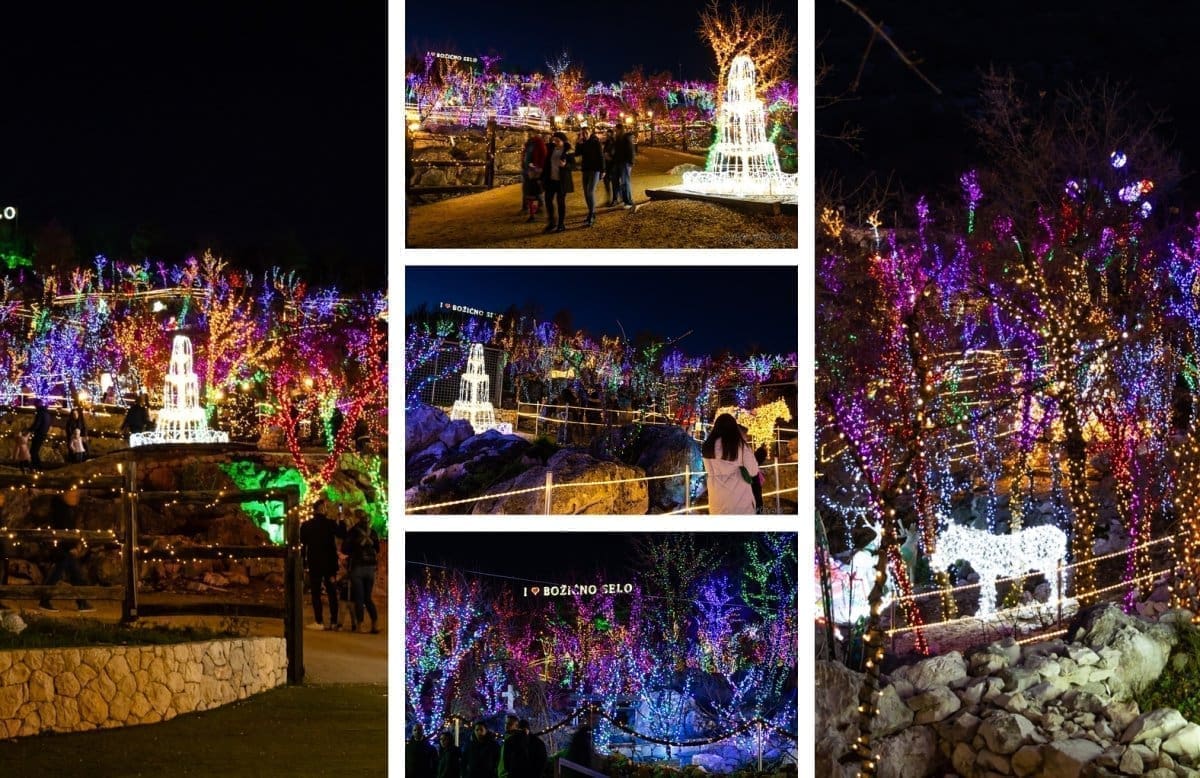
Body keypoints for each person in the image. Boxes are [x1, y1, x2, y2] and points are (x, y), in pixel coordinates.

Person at [39, 495, 94, 612]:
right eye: (73, 492)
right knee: (63, 574)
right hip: (63, 550)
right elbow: (62, 531)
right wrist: (71, 547)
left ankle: (81, 602)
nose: (76, 496)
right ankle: (45, 600)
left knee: (73, 574)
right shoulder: (61, 511)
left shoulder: (68, 510)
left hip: (65, 550)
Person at [300, 498, 347, 630]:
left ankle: (319, 621)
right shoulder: (330, 524)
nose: (326, 509)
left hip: (314, 562)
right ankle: (333, 622)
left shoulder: (306, 525)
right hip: (330, 564)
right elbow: (342, 534)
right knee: (332, 592)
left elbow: (302, 544)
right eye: (325, 507)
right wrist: (341, 520)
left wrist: (303, 562)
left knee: (316, 593)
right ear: (321, 509)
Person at [701, 413, 759, 515]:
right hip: (740, 502)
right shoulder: (739, 445)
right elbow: (753, 471)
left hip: (716, 501)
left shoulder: (708, 446)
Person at [343, 508, 381, 633]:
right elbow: (378, 548)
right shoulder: (373, 532)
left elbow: (345, 549)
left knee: (359, 597)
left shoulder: (353, 531)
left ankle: (360, 625)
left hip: (357, 567)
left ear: (356, 518)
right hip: (370, 568)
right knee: (368, 598)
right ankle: (374, 624)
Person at [540, 131, 574, 233]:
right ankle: (551, 222)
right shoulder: (551, 149)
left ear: (563, 141)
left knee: (560, 202)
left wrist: (565, 166)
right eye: (554, 140)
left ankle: (561, 224)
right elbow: (546, 164)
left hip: (561, 181)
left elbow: (573, 165)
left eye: (558, 141)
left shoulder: (568, 151)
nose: (556, 142)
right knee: (548, 200)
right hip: (551, 180)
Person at [577, 128, 605, 226]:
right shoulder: (583, 142)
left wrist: (603, 170)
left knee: (590, 191)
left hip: (595, 169)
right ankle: (590, 213)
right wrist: (578, 143)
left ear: (590, 133)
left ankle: (592, 214)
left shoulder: (595, 142)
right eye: (582, 133)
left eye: (586, 133)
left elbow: (601, 156)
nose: (584, 135)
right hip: (586, 170)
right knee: (586, 192)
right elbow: (577, 153)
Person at [522, 128, 547, 221]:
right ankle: (529, 209)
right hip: (527, 169)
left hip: (535, 169)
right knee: (527, 190)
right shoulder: (529, 143)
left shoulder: (539, 142)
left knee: (535, 189)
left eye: (530, 133)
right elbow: (525, 154)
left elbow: (543, 155)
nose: (528, 134)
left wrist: (539, 167)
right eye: (527, 133)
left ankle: (540, 206)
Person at [614, 124, 637, 209]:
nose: (615, 131)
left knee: (625, 182)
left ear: (619, 130)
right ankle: (625, 200)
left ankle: (628, 201)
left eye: (616, 130)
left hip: (625, 162)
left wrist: (630, 162)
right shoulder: (619, 138)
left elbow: (630, 150)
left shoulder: (624, 138)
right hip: (621, 162)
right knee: (623, 182)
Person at [26, 398, 52, 469]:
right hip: (43, 433)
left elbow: (37, 424)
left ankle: (37, 466)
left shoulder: (40, 413)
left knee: (33, 451)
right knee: (35, 450)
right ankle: (37, 466)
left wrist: (29, 430)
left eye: (35, 405)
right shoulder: (46, 413)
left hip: (39, 433)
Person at [603, 129, 621, 206]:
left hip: (613, 165)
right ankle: (609, 198)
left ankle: (615, 199)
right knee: (606, 182)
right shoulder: (607, 143)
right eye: (606, 134)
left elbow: (617, 154)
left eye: (608, 135)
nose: (607, 136)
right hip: (607, 165)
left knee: (614, 183)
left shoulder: (615, 143)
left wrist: (610, 158)